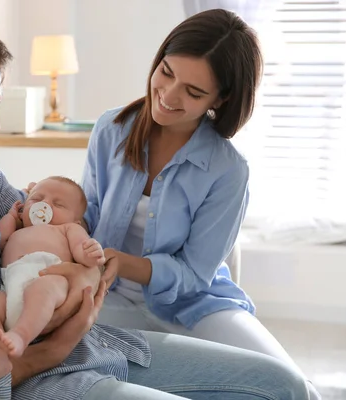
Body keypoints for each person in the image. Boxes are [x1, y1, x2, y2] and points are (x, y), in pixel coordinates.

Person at [0, 5, 311, 399]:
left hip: (88, 339)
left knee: (283, 386)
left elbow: (43, 225)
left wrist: (80, 277)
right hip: (41, 379)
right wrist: (48, 353)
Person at [78, 7, 321, 399]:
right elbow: (87, 213)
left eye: (193, 92)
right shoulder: (111, 130)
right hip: (108, 295)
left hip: (194, 305)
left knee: (293, 388)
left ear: (221, 98)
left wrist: (129, 264)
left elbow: (195, 274)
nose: (168, 96)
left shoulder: (228, 170)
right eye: (167, 72)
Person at [0, 176, 105, 390]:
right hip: (11, 286)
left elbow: (82, 251)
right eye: (37, 199)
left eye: (59, 204)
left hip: (51, 278)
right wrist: (10, 218)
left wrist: (91, 253)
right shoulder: (18, 230)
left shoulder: (68, 228)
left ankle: (20, 335)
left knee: (40, 290)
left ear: (76, 220)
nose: (45, 205)